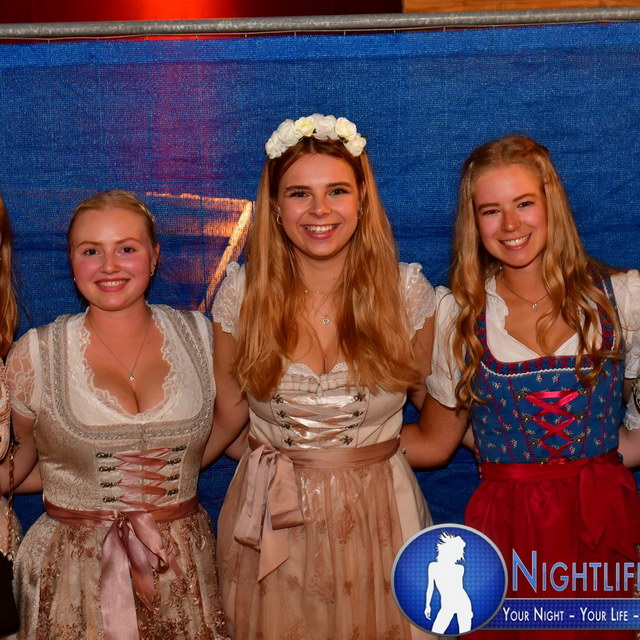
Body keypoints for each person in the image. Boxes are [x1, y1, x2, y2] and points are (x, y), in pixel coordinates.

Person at [402, 135, 640, 639]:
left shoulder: (622, 299)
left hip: (602, 522)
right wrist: (331, 447)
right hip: (508, 528)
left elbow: (632, 435)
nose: (510, 225)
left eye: (524, 203)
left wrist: (595, 452)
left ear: (551, 203)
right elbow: (438, 440)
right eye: (491, 211)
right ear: (474, 223)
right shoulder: (460, 316)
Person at [210, 114, 435, 639]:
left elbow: (441, 426)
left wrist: (360, 460)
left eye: (336, 190)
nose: (319, 210)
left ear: (362, 198)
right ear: (274, 205)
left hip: (383, 519)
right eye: (299, 194)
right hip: (270, 523)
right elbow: (228, 422)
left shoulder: (406, 294)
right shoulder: (241, 296)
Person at [2, 190, 229, 639]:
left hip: (181, 565)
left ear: (154, 256)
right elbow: (18, 466)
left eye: (126, 248)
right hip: (71, 575)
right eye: (91, 251)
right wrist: (79, 482)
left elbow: (232, 424)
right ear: (71, 261)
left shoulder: (202, 337)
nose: (109, 266)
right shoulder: (37, 353)